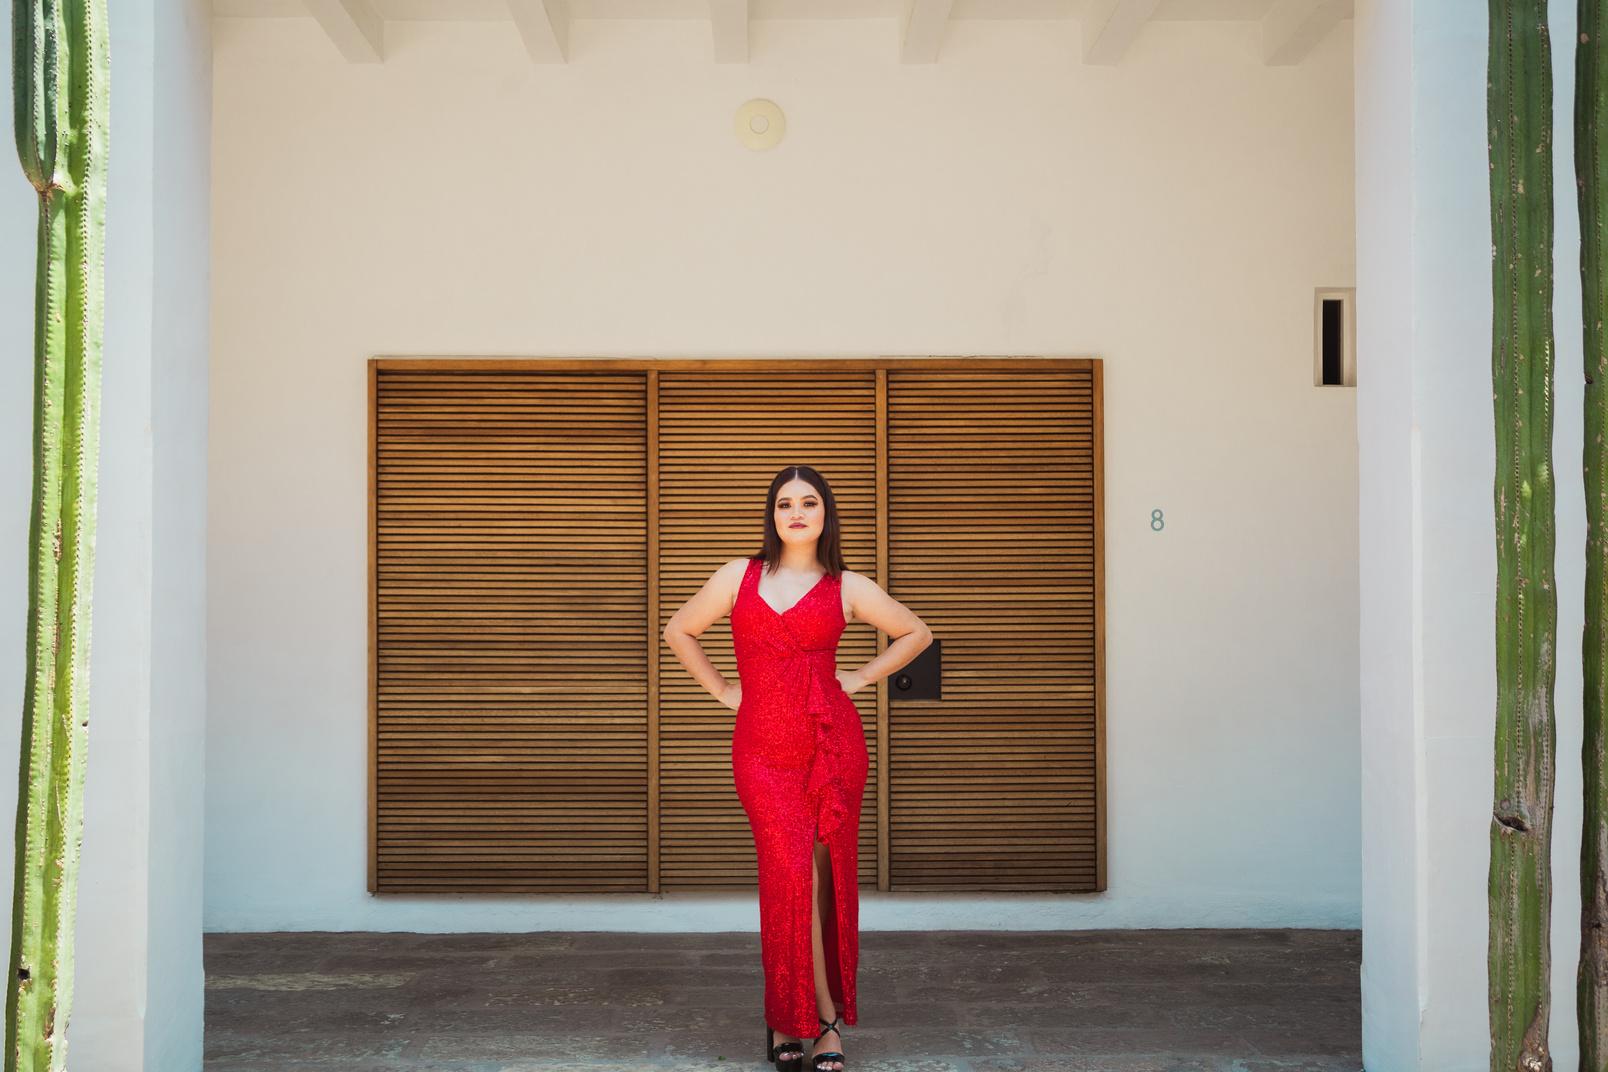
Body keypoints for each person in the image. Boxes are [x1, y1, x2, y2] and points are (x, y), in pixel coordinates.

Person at [662, 465, 933, 1072]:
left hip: (830, 746)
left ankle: (800, 1018)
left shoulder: (847, 586)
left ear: (825, 513)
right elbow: (679, 629)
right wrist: (724, 690)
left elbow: (916, 633)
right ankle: (811, 1016)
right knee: (789, 877)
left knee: (823, 880)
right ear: (773, 515)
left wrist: (858, 677)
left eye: (809, 502)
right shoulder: (738, 576)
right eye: (785, 504)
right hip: (762, 750)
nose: (797, 513)